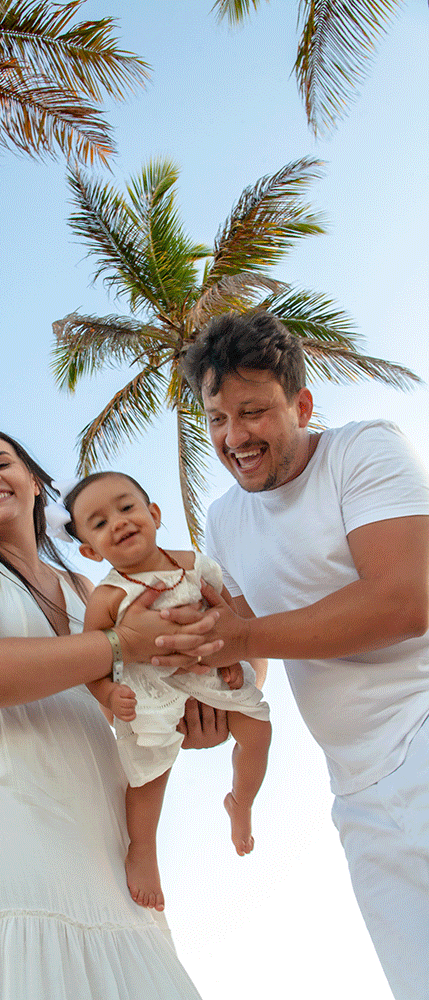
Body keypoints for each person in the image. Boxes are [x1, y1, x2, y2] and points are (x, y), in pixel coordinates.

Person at [155, 311, 429, 1000]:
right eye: (216, 419)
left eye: (252, 412)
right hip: (358, 793)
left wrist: (243, 639)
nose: (233, 437)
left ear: (300, 405)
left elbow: (404, 600)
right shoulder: (223, 518)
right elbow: (249, 651)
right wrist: (208, 701)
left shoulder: (364, 450)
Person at [0, 427, 224, 999]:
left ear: (32, 479)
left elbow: (144, 680)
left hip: (94, 817)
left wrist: (193, 719)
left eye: (0, 463)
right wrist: (122, 643)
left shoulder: (86, 586)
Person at [62, 471, 271, 913]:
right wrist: (105, 694)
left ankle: (242, 801)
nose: (117, 523)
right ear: (88, 550)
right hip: (150, 690)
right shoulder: (106, 597)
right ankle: (143, 849)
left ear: (154, 514)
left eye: (126, 507)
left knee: (259, 731)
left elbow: (230, 620)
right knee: (146, 774)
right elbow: (92, 660)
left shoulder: (195, 565)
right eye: (98, 524)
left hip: (210, 673)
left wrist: (232, 661)